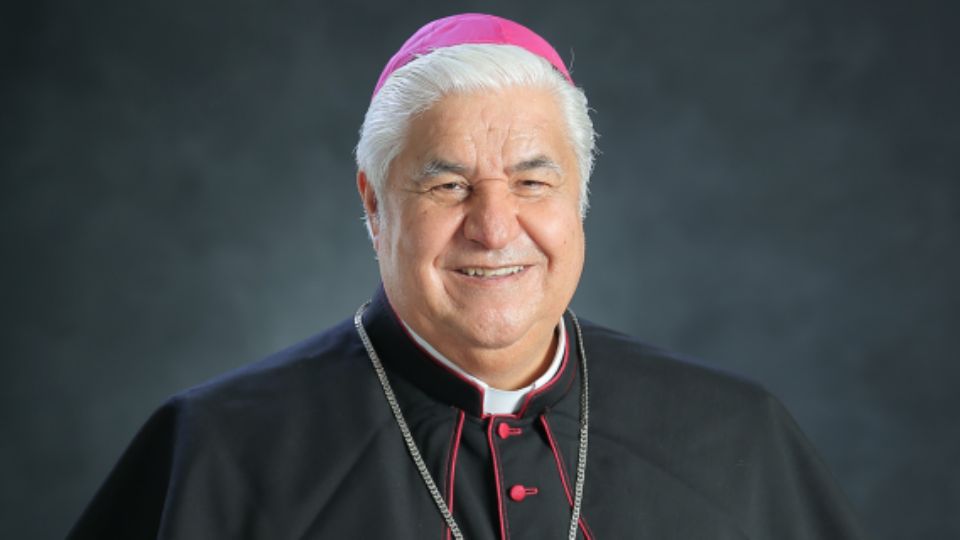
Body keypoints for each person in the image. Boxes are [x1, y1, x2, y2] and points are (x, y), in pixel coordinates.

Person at [68, 13, 865, 539]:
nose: (494, 227)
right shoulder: (217, 451)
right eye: (448, 185)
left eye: (532, 182)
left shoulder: (737, 434)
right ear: (374, 204)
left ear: (578, 201)